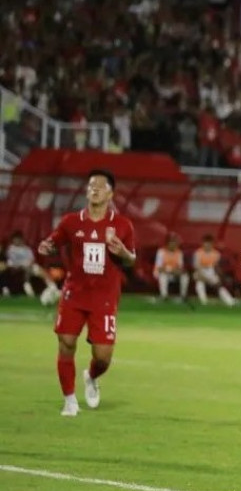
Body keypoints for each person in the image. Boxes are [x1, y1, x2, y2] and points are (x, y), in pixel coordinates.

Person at [37, 169, 137, 417]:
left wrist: (123, 252)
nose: (94, 189)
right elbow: (54, 241)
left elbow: (132, 260)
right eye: (91, 186)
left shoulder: (122, 225)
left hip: (104, 298)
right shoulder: (71, 222)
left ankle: (91, 376)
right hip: (74, 293)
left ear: (111, 193)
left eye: (100, 187)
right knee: (66, 342)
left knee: (103, 357)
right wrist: (47, 246)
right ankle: (70, 400)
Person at [192, 234, 237, 307]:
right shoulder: (198, 253)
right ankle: (204, 301)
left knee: (219, 285)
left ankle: (230, 301)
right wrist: (203, 277)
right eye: (206, 243)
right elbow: (197, 267)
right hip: (200, 272)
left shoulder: (216, 254)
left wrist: (219, 277)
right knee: (199, 283)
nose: (207, 245)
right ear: (203, 243)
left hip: (211, 272)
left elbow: (216, 267)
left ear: (212, 244)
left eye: (209, 244)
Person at [3, 234, 48, 298]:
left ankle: (52, 287)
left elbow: (32, 260)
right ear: (13, 240)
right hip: (16, 267)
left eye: (19, 239)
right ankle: (28, 288)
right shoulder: (11, 249)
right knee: (26, 269)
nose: (17, 241)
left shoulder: (27, 249)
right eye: (16, 239)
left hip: (29, 266)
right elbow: (11, 261)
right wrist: (22, 265)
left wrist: (29, 264)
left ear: (21, 240)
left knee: (39, 269)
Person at [153, 233, 189, 302]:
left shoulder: (179, 252)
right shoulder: (161, 252)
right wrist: (169, 270)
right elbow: (159, 268)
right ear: (168, 243)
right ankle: (164, 296)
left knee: (185, 276)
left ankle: (183, 296)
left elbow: (180, 268)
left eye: (175, 243)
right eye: (171, 242)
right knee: (163, 276)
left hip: (173, 273)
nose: (173, 245)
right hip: (161, 272)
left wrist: (177, 271)